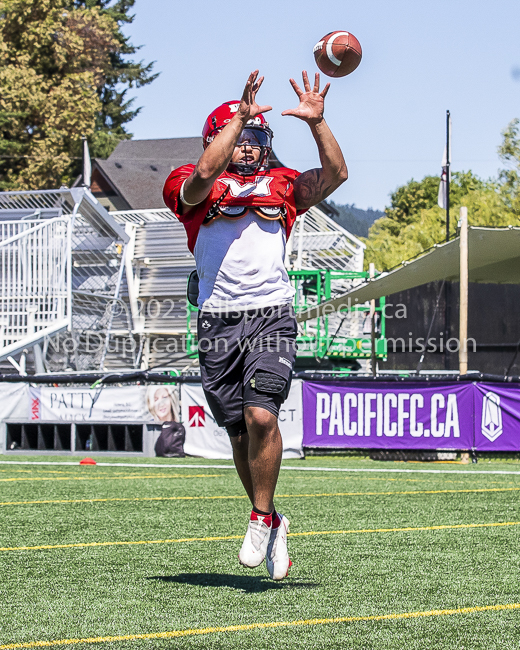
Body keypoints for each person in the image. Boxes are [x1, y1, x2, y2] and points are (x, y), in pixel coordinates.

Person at [163, 70, 348, 580]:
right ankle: (272, 517)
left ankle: (260, 517)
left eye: (256, 139)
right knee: (239, 433)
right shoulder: (184, 180)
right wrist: (238, 117)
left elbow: (335, 175)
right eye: (241, 137)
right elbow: (203, 175)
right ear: (219, 136)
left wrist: (318, 123)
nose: (249, 147)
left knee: (263, 417)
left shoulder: (283, 185)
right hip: (217, 321)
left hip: (271, 314)